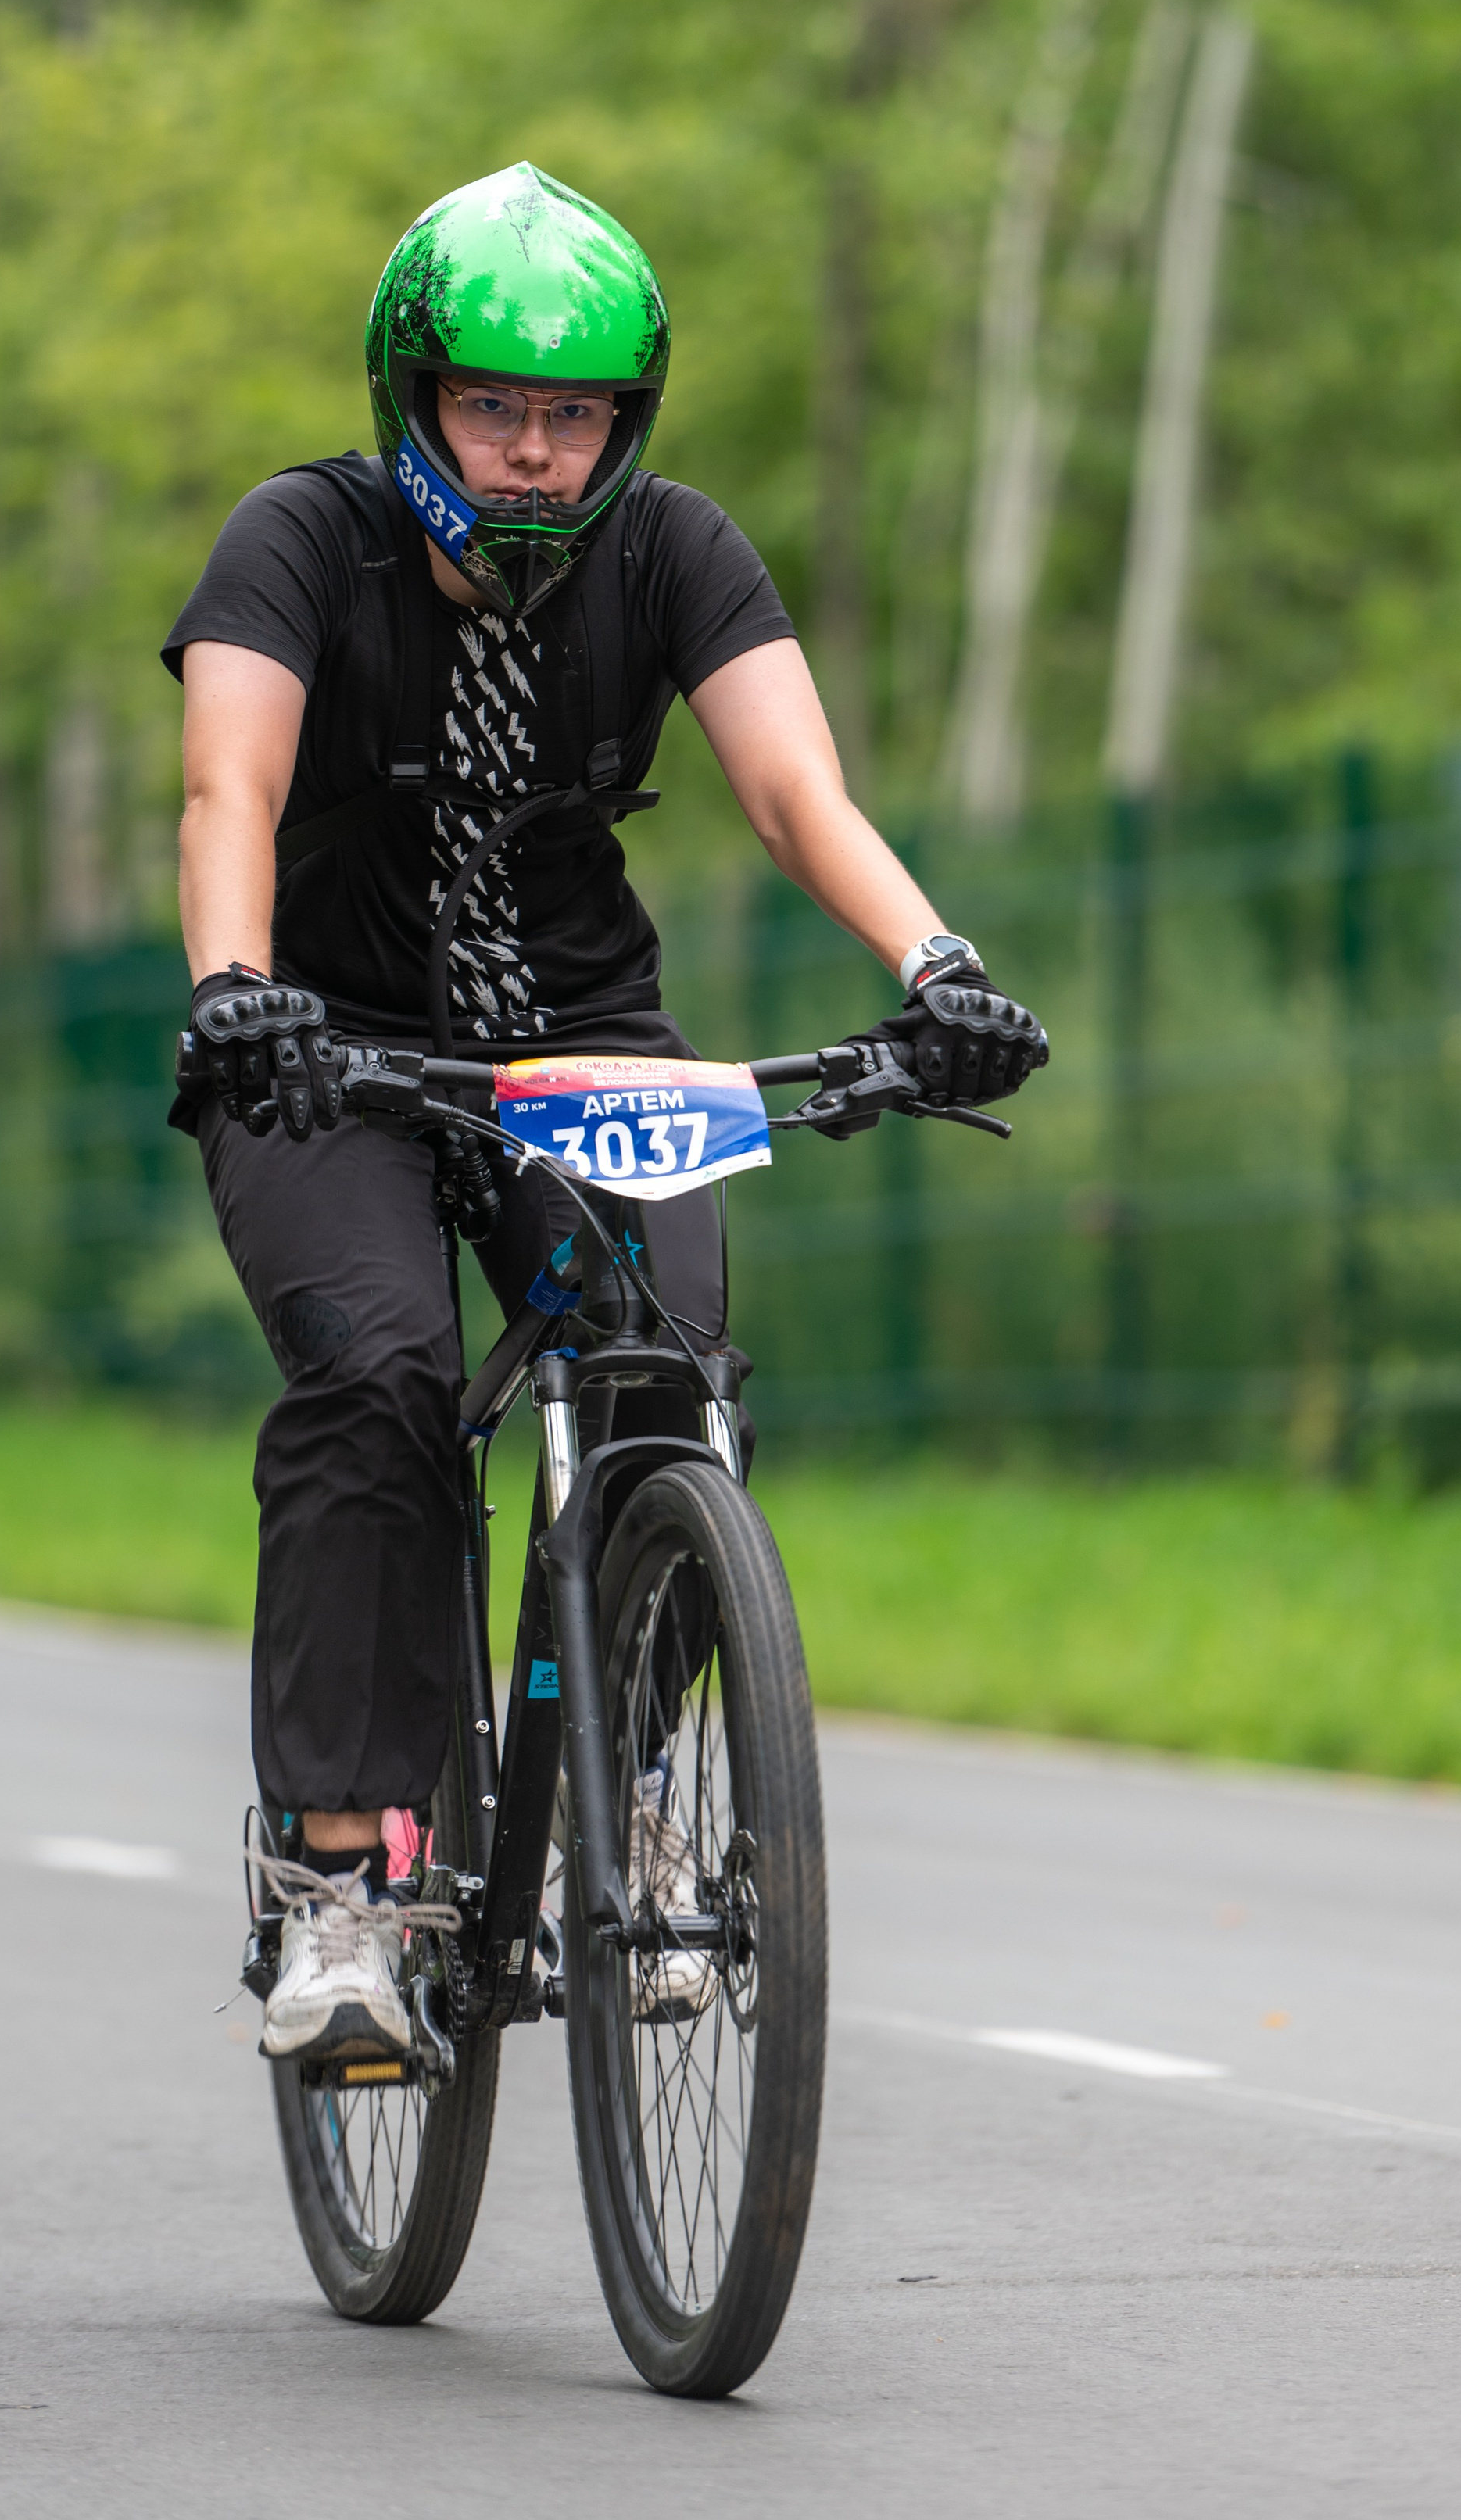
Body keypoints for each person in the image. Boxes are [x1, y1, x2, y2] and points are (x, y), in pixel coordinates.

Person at [166, 161, 1047, 2061]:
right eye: (498, 407)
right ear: (415, 394)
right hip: (324, 1043)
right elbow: (225, 790)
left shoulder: (680, 557)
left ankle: (640, 1818)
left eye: (577, 417)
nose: (540, 453)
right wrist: (233, 992)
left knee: (667, 1376)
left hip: (584, 1040)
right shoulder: (295, 543)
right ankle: (338, 1886)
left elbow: (796, 795)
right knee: (385, 1375)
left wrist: (936, 967)